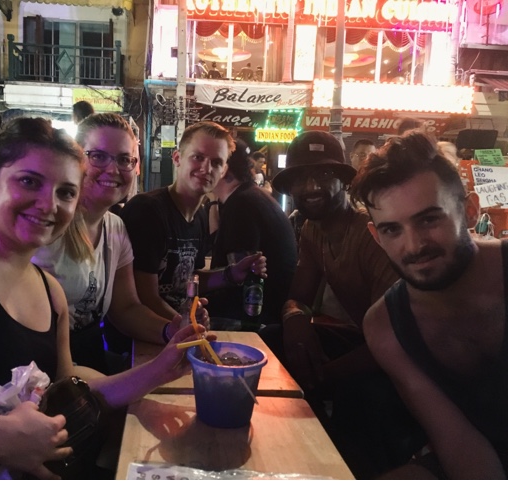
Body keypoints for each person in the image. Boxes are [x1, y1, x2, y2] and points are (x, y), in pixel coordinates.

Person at [0, 117, 208, 479]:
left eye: (66, 192)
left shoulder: (51, 293)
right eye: (29, 181)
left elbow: (67, 385)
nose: (48, 204)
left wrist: (160, 368)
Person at [350, 130, 508, 479]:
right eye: (392, 230)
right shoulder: (385, 326)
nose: (414, 246)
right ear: (376, 237)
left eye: (429, 219)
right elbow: (457, 441)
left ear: (469, 211)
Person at [271, 130, 422, 478]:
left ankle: (340, 467)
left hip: (404, 359)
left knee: (357, 394)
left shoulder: (371, 235)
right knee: (274, 338)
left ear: (343, 180)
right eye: (301, 177)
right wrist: (295, 320)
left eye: (324, 174)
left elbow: (395, 340)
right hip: (367, 343)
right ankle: (293, 445)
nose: (311, 186)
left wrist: (325, 375)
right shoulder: (313, 230)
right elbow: (298, 298)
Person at [32, 113, 202, 373]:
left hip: (88, 357)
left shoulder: (116, 227)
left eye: (124, 160)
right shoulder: (45, 221)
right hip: (36, 366)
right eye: (98, 156)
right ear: (76, 160)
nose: (113, 170)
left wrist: (173, 330)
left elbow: (126, 308)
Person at [120, 121, 264, 322]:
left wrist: (232, 274)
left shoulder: (200, 216)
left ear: (223, 171)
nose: (206, 168)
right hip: (144, 334)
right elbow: (145, 297)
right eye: (198, 157)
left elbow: (190, 278)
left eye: (216, 162)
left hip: (177, 328)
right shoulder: (148, 210)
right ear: (177, 158)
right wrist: (189, 326)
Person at [207, 138, 297, 328]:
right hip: (273, 314)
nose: (203, 170)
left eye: (212, 163)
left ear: (224, 170)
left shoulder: (242, 205)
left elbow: (241, 280)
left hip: (258, 323)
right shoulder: (251, 196)